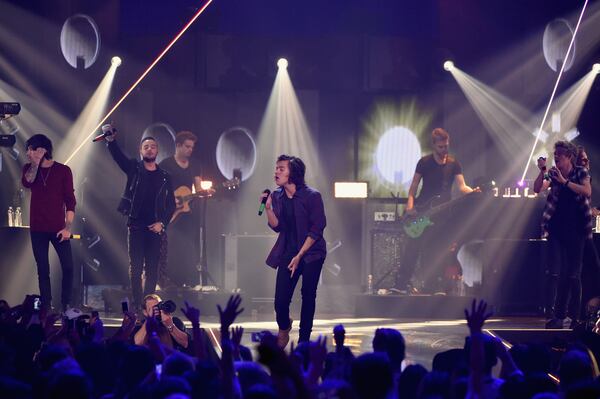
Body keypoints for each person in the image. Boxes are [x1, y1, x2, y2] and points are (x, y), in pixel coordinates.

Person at [397, 128, 477, 293]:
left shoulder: (454, 163)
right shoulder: (424, 163)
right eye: (441, 147)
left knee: (436, 251)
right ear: (434, 145)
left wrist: (474, 191)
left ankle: (432, 286)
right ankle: (400, 284)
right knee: (413, 248)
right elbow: (412, 189)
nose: (444, 150)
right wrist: (410, 207)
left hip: (442, 217)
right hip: (422, 212)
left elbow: (462, 187)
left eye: (446, 146)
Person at [105, 127, 176, 309]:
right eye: (146, 146)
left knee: (152, 270)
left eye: (153, 146)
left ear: (157, 151)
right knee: (136, 269)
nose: (150, 149)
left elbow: (171, 205)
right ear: (141, 150)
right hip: (136, 226)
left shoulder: (165, 177)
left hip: (155, 228)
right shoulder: (134, 169)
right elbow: (118, 158)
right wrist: (111, 141)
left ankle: (149, 305)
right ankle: (137, 305)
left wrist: (163, 224)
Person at [262, 155, 327, 348]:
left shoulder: (312, 196)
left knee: (308, 295)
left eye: (281, 169)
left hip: (312, 253)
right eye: (276, 168)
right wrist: (268, 208)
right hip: (288, 253)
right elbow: (277, 226)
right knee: (280, 302)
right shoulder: (277, 196)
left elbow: (317, 229)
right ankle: (284, 327)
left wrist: (300, 256)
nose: (276, 172)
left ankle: (304, 341)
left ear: (293, 173)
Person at [536, 141, 592, 329]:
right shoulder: (553, 173)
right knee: (555, 272)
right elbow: (538, 188)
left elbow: (587, 191)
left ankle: (574, 317)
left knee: (573, 275)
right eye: (555, 153)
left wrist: (565, 182)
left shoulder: (580, 172)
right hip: (556, 229)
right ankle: (556, 316)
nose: (556, 156)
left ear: (569, 156)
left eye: (560, 153)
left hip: (576, 231)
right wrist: (542, 171)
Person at [21, 134, 76, 311]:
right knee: (43, 269)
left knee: (68, 266)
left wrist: (67, 227)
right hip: (37, 228)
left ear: (40, 150)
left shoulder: (63, 170)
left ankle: (66, 303)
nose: (27, 153)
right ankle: (47, 305)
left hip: (59, 228)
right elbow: (27, 182)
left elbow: (70, 201)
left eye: (30, 149)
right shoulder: (29, 169)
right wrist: (36, 164)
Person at [158, 131, 203, 288]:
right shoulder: (165, 165)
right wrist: (171, 201)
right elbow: (158, 189)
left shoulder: (195, 165)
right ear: (178, 146)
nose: (190, 150)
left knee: (189, 246)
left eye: (192, 147)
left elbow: (198, 188)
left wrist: (204, 192)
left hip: (187, 212)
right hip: (170, 213)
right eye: (187, 146)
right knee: (171, 246)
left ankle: (188, 282)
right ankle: (168, 281)